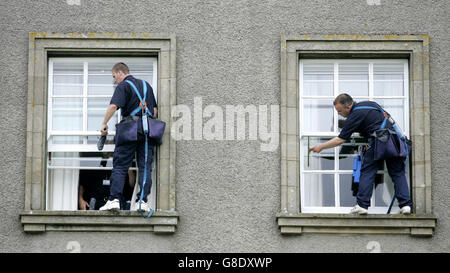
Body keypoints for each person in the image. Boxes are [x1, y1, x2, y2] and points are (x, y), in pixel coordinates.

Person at [309, 93, 412, 215]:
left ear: (348, 107)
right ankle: (405, 205)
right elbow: (381, 120)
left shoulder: (354, 115)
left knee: (367, 171)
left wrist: (321, 146)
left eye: (339, 111)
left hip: (378, 141)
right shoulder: (369, 104)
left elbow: (340, 140)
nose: (338, 114)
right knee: (397, 173)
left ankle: (362, 205)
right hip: (394, 141)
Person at [99, 62, 158, 212]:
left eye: (114, 77)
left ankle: (114, 199)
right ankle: (142, 201)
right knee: (145, 167)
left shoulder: (123, 86)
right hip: (147, 130)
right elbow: (155, 111)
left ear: (120, 72)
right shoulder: (147, 86)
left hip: (129, 128)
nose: (114, 81)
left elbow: (113, 107)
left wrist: (104, 124)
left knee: (120, 165)